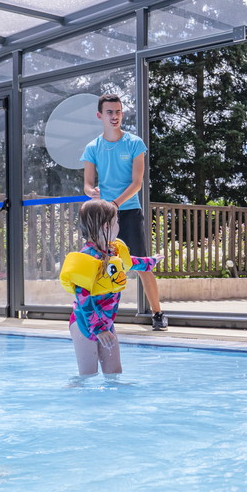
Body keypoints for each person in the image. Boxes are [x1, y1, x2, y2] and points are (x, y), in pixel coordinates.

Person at [82, 93, 167, 331]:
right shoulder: (92, 148)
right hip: (102, 216)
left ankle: (158, 313)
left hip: (128, 211)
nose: (115, 116)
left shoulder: (134, 143)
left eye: (118, 111)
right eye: (109, 112)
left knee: (142, 264)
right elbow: (87, 184)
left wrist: (115, 204)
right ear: (100, 115)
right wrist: (92, 193)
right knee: (95, 263)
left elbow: (137, 183)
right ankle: (93, 314)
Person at [60, 199, 161, 375]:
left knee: (114, 372)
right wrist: (98, 329)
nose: (118, 226)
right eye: (117, 222)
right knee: (88, 375)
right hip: (85, 323)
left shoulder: (112, 251)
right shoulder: (86, 259)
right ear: (107, 226)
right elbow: (83, 299)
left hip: (105, 322)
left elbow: (129, 262)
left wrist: (150, 262)